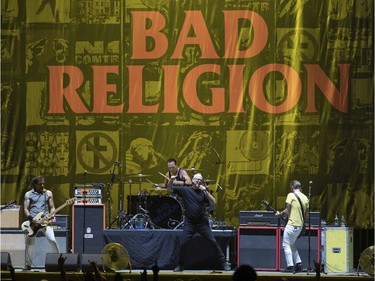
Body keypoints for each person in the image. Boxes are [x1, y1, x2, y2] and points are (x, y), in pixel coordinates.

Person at [167, 172, 230, 272]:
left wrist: (206, 192)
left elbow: (213, 202)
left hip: (202, 223)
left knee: (213, 242)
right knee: (184, 244)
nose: (198, 182)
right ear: (192, 180)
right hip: (190, 223)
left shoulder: (203, 192)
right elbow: (170, 189)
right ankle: (180, 265)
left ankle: (223, 263)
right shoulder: (185, 190)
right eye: (197, 179)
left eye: (200, 180)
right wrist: (171, 180)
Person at [23, 175, 60, 270]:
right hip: (33, 223)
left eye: (43, 183)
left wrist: (53, 214)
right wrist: (31, 219)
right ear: (35, 184)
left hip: (45, 221)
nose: (42, 185)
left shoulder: (48, 193)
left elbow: (52, 207)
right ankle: (28, 265)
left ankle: (60, 262)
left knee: (52, 240)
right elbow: (26, 209)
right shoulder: (28, 194)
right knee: (29, 244)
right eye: (40, 184)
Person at [276, 180, 309, 273]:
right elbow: (306, 215)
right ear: (300, 187)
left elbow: (286, 210)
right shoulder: (306, 198)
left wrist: (280, 214)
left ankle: (290, 266)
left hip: (291, 224)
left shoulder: (290, 195)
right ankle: (298, 264)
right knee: (291, 244)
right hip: (300, 226)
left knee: (286, 244)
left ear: (292, 187)